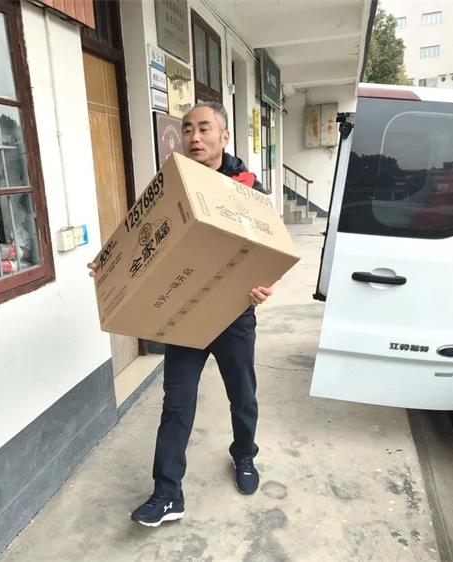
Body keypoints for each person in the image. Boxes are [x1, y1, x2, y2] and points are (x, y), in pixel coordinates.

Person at [88, 102, 272, 527]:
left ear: (224, 137)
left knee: (242, 395)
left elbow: (267, 250)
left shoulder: (247, 188)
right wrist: (111, 265)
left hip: (233, 315)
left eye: (204, 129)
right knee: (176, 403)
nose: (194, 137)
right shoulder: (173, 185)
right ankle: (168, 493)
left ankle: (244, 455)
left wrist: (263, 286)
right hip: (186, 316)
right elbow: (144, 238)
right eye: (187, 129)